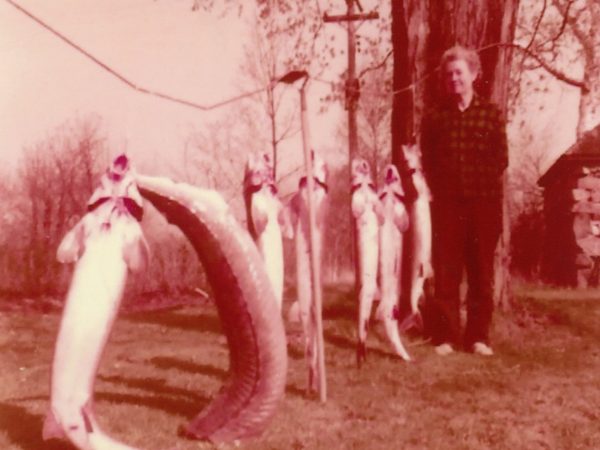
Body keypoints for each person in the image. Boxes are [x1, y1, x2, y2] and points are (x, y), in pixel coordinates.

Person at [420, 45, 508, 356]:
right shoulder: (434, 118)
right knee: (447, 273)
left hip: (483, 204)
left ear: (473, 74)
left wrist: (474, 182)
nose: (453, 79)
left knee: (481, 273)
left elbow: (501, 159)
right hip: (446, 207)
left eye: (459, 72)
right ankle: (446, 337)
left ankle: (478, 338)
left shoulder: (491, 114)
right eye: (448, 75)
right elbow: (427, 161)